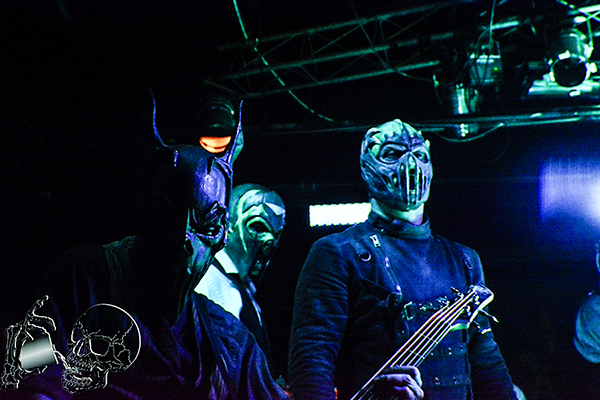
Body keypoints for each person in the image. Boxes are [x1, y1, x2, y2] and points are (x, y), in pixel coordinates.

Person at [1, 117, 288, 399]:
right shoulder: (82, 282)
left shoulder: (227, 339)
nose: (185, 241)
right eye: (167, 217)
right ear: (146, 213)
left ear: (222, 236)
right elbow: (27, 376)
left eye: (207, 227)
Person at [288, 119, 518, 400]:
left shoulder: (464, 260)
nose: (410, 165)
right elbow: (312, 362)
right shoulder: (338, 253)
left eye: (419, 155)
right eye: (392, 154)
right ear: (367, 166)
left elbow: (486, 363)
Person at [195, 183, 286, 361]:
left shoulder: (245, 289)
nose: (269, 240)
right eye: (258, 227)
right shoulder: (207, 279)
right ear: (229, 225)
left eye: (276, 235)